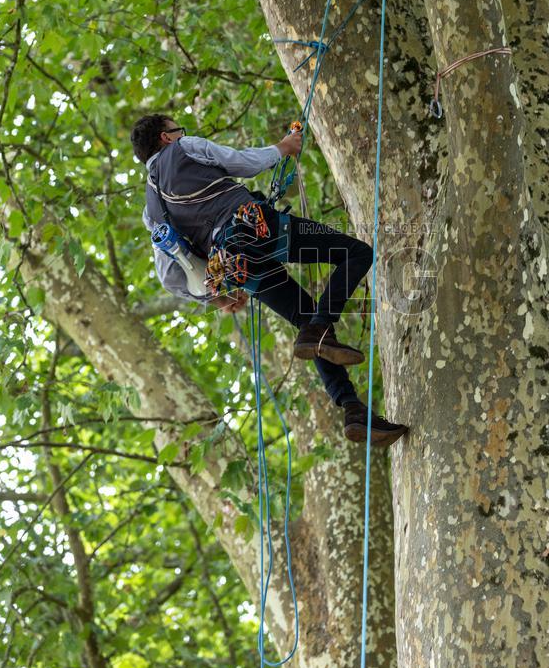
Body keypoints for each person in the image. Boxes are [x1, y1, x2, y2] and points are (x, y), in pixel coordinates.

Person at [131, 113, 408, 446]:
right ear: (166, 137)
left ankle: (352, 410)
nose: (182, 133)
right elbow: (241, 162)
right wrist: (284, 147)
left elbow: (169, 275)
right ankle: (321, 328)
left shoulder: (151, 209)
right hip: (253, 228)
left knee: (305, 321)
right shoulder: (185, 148)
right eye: (178, 129)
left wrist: (216, 297)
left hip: (236, 267)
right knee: (356, 253)